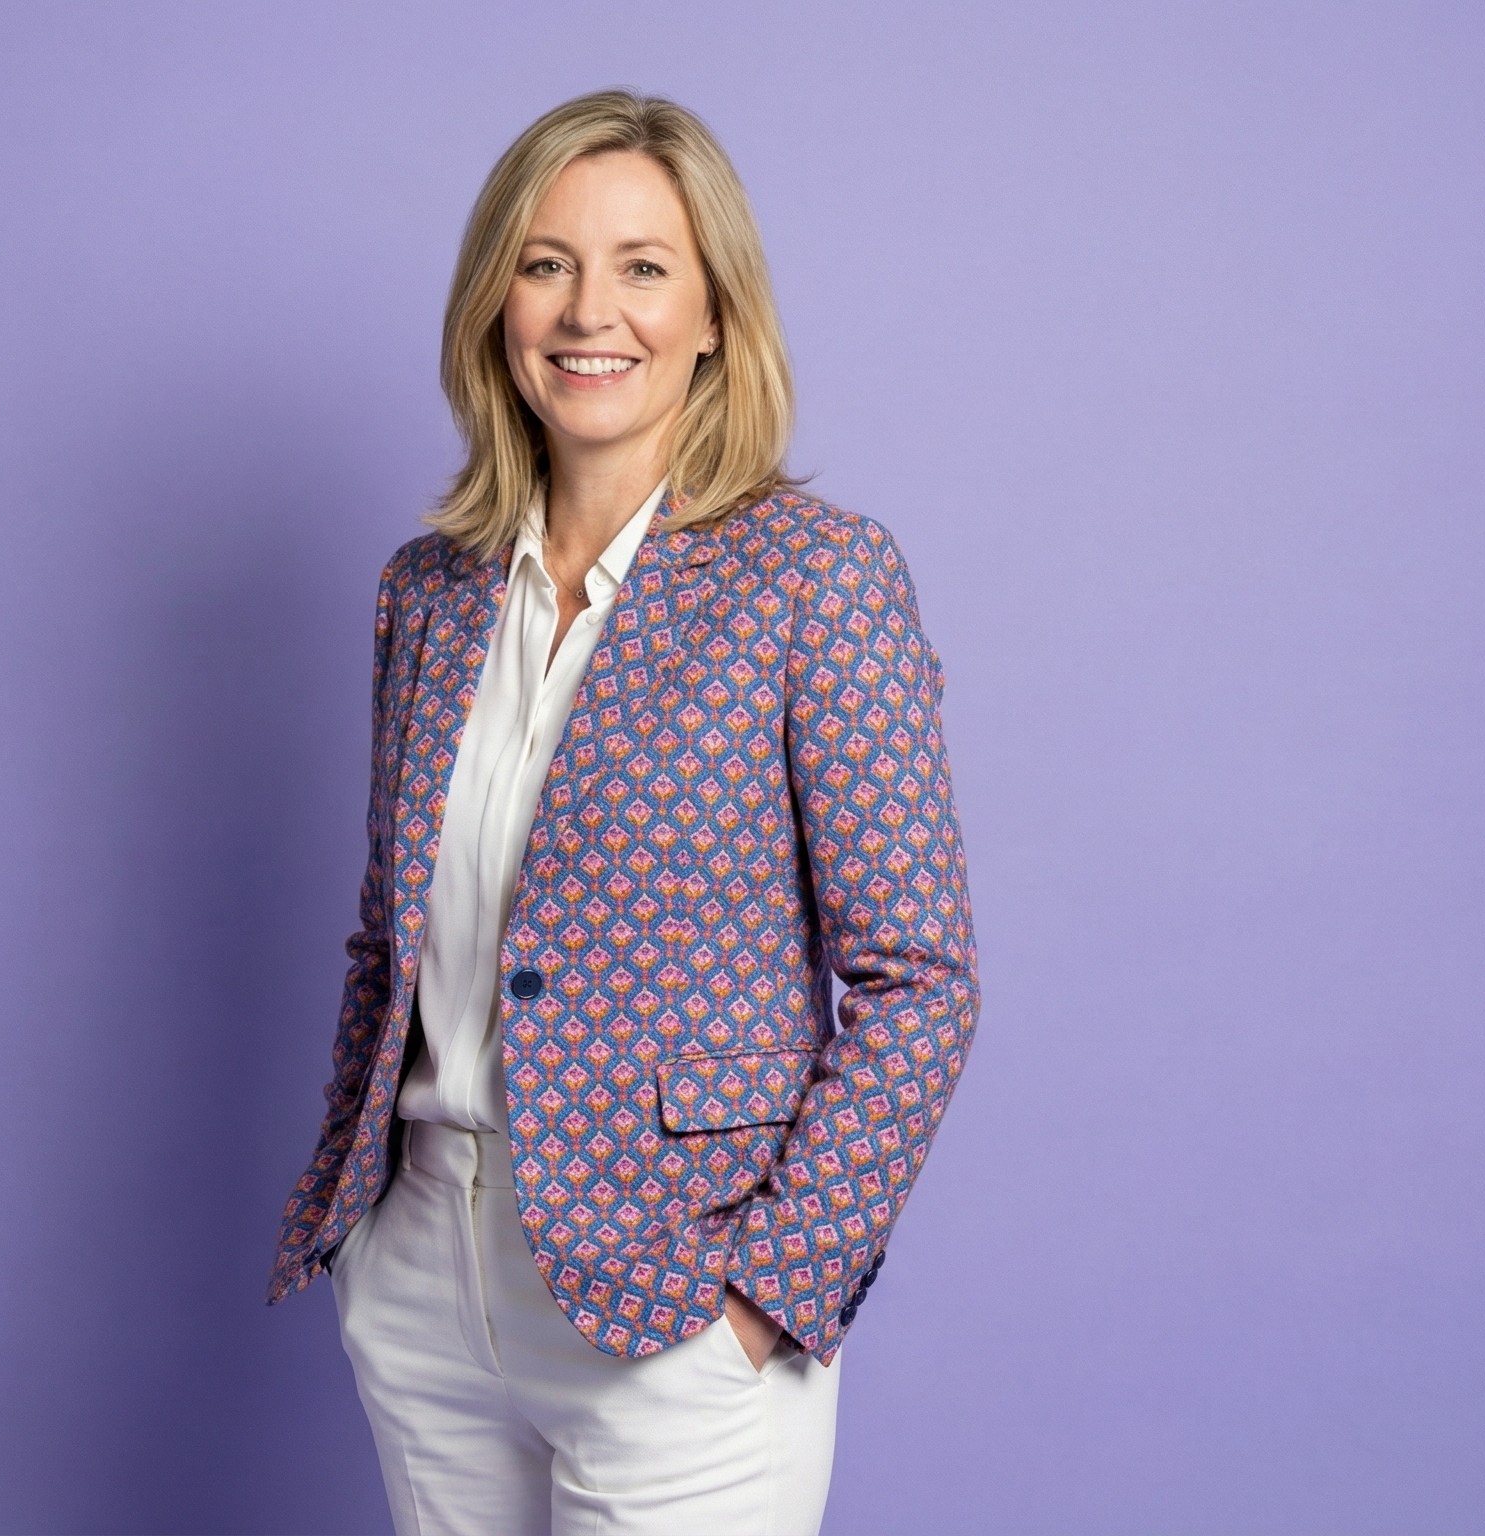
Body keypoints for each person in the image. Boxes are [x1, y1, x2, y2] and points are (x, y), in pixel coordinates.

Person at [267, 88, 979, 1536]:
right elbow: (388, 940)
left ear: (715, 311)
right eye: (546, 262)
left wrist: (767, 1297)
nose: (591, 310)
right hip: (422, 1290)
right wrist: (362, 1234)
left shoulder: (814, 582)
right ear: (495, 300)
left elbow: (922, 979)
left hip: (672, 1309)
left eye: (644, 266)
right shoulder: (430, 590)